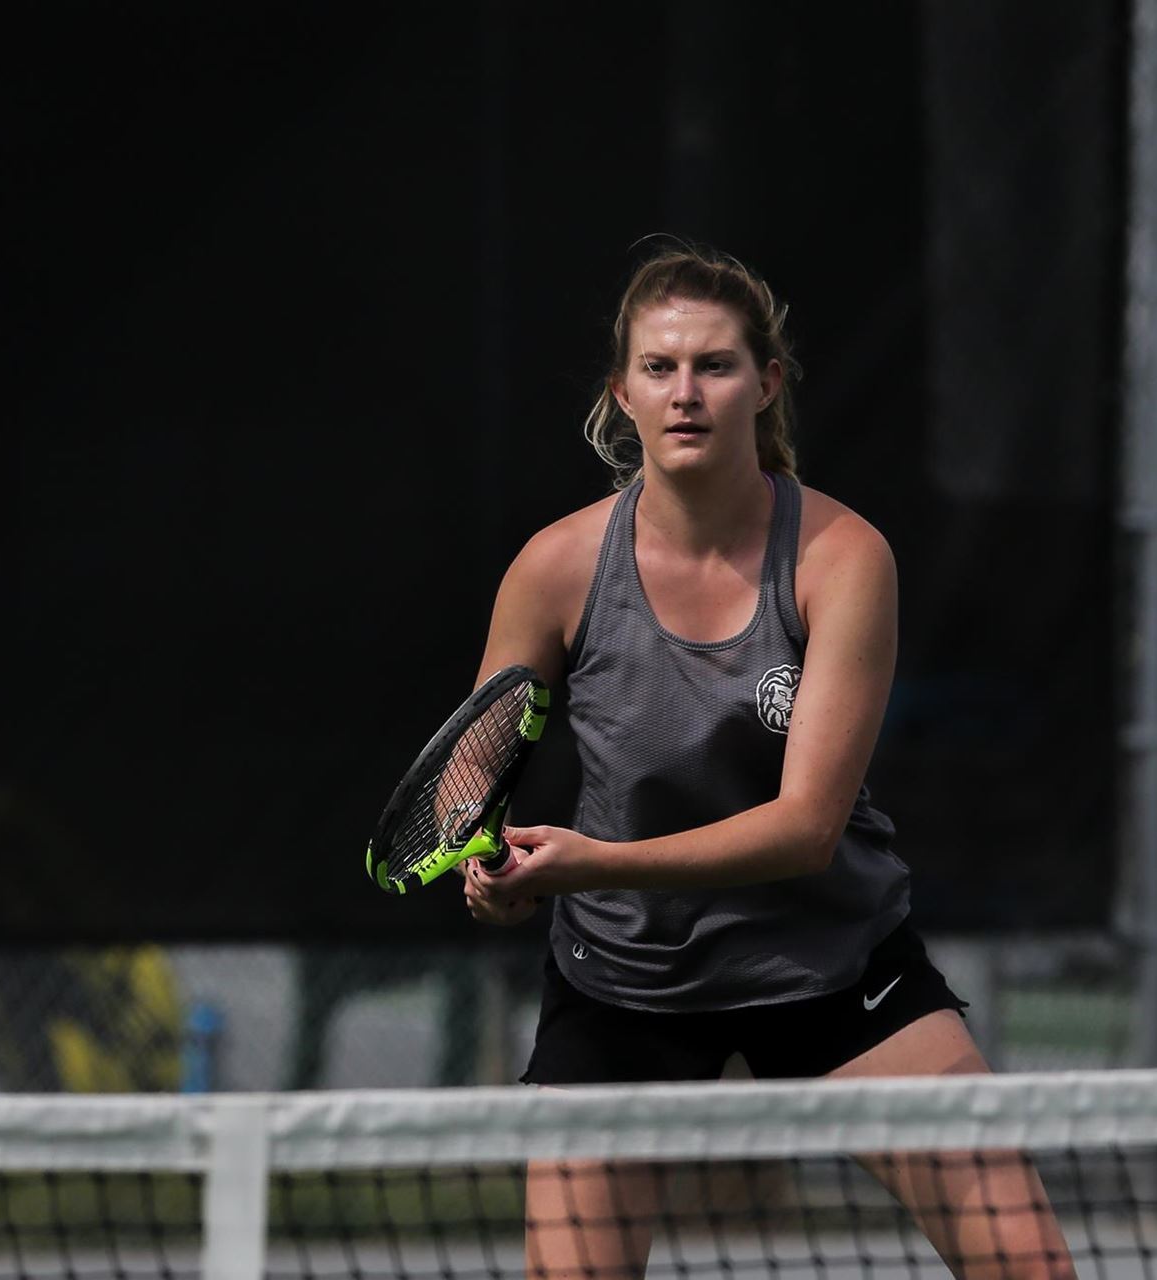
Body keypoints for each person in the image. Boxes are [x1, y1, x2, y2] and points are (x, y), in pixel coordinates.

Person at [461, 239, 1076, 1280]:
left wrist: (587, 864)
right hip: (624, 982)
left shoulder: (843, 557)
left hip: (828, 960)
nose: (686, 392)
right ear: (622, 392)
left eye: (715, 365)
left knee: (1030, 1265)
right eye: (659, 367)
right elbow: (473, 774)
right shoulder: (555, 568)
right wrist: (488, 867)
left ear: (768, 383)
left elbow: (806, 830)